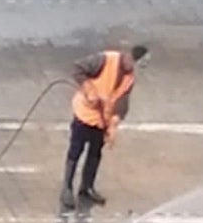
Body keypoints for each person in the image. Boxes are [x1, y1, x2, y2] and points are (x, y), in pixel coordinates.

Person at [60, 44, 148, 209]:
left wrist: (114, 123)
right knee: (75, 151)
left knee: (95, 153)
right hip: (84, 114)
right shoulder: (105, 60)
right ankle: (67, 188)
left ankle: (86, 188)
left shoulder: (129, 78)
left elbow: (122, 102)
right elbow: (78, 69)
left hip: (102, 120)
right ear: (130, 58)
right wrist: (88, 89)